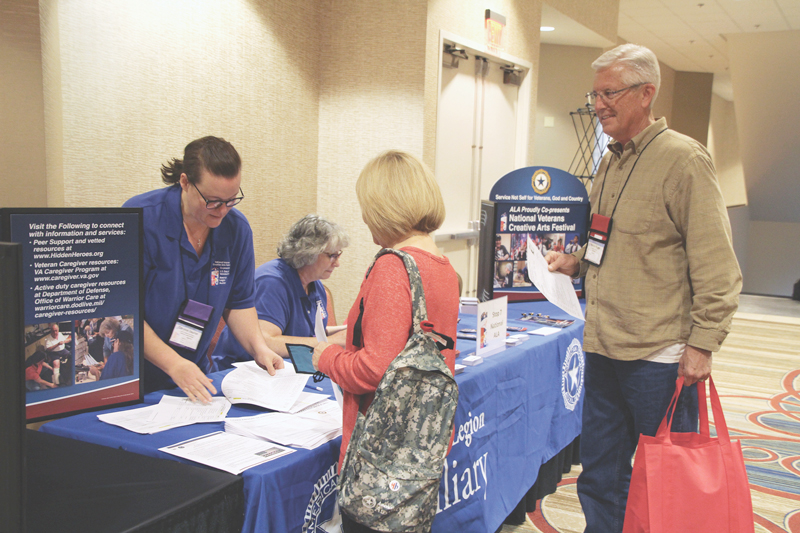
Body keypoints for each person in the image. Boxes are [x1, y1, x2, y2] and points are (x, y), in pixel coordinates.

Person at [545, 44, 742, 533]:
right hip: (604, 346)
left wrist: (702, 345)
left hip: (661, 356)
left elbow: (718, 269)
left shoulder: (683, 160)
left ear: (646, 93)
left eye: (609, 93)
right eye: (595, 95)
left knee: (667, 480)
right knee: (599, 475)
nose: (599, 106)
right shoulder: (609, 162)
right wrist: (574, 264)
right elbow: (606, 242)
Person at [312, 150, 459, 533]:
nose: (363, 218)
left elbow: (374, 371)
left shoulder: (394, 267)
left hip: (379, 453)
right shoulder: (443, 267)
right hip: (419, 449)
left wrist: (325, 357)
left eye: (366, 207)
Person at [123, 136, 283, 402]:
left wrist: (259, 348)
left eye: (231, 200)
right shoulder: (142, 219)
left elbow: (239, 302)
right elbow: (124, 315)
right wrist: (174, 364)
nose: (222, 211)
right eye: (213, 201)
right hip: (137, 376)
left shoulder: (236, 230)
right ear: (185, 182)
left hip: (192, 377)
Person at [212, 214, 349, 369]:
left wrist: (346, 331)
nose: (337, 263)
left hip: (288, 371)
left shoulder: (315, 285)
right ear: (309, 252)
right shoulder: (272, 282)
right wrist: (334, 341)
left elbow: (305, 334)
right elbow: (267, 342)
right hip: (242, 373)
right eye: (332, 256)